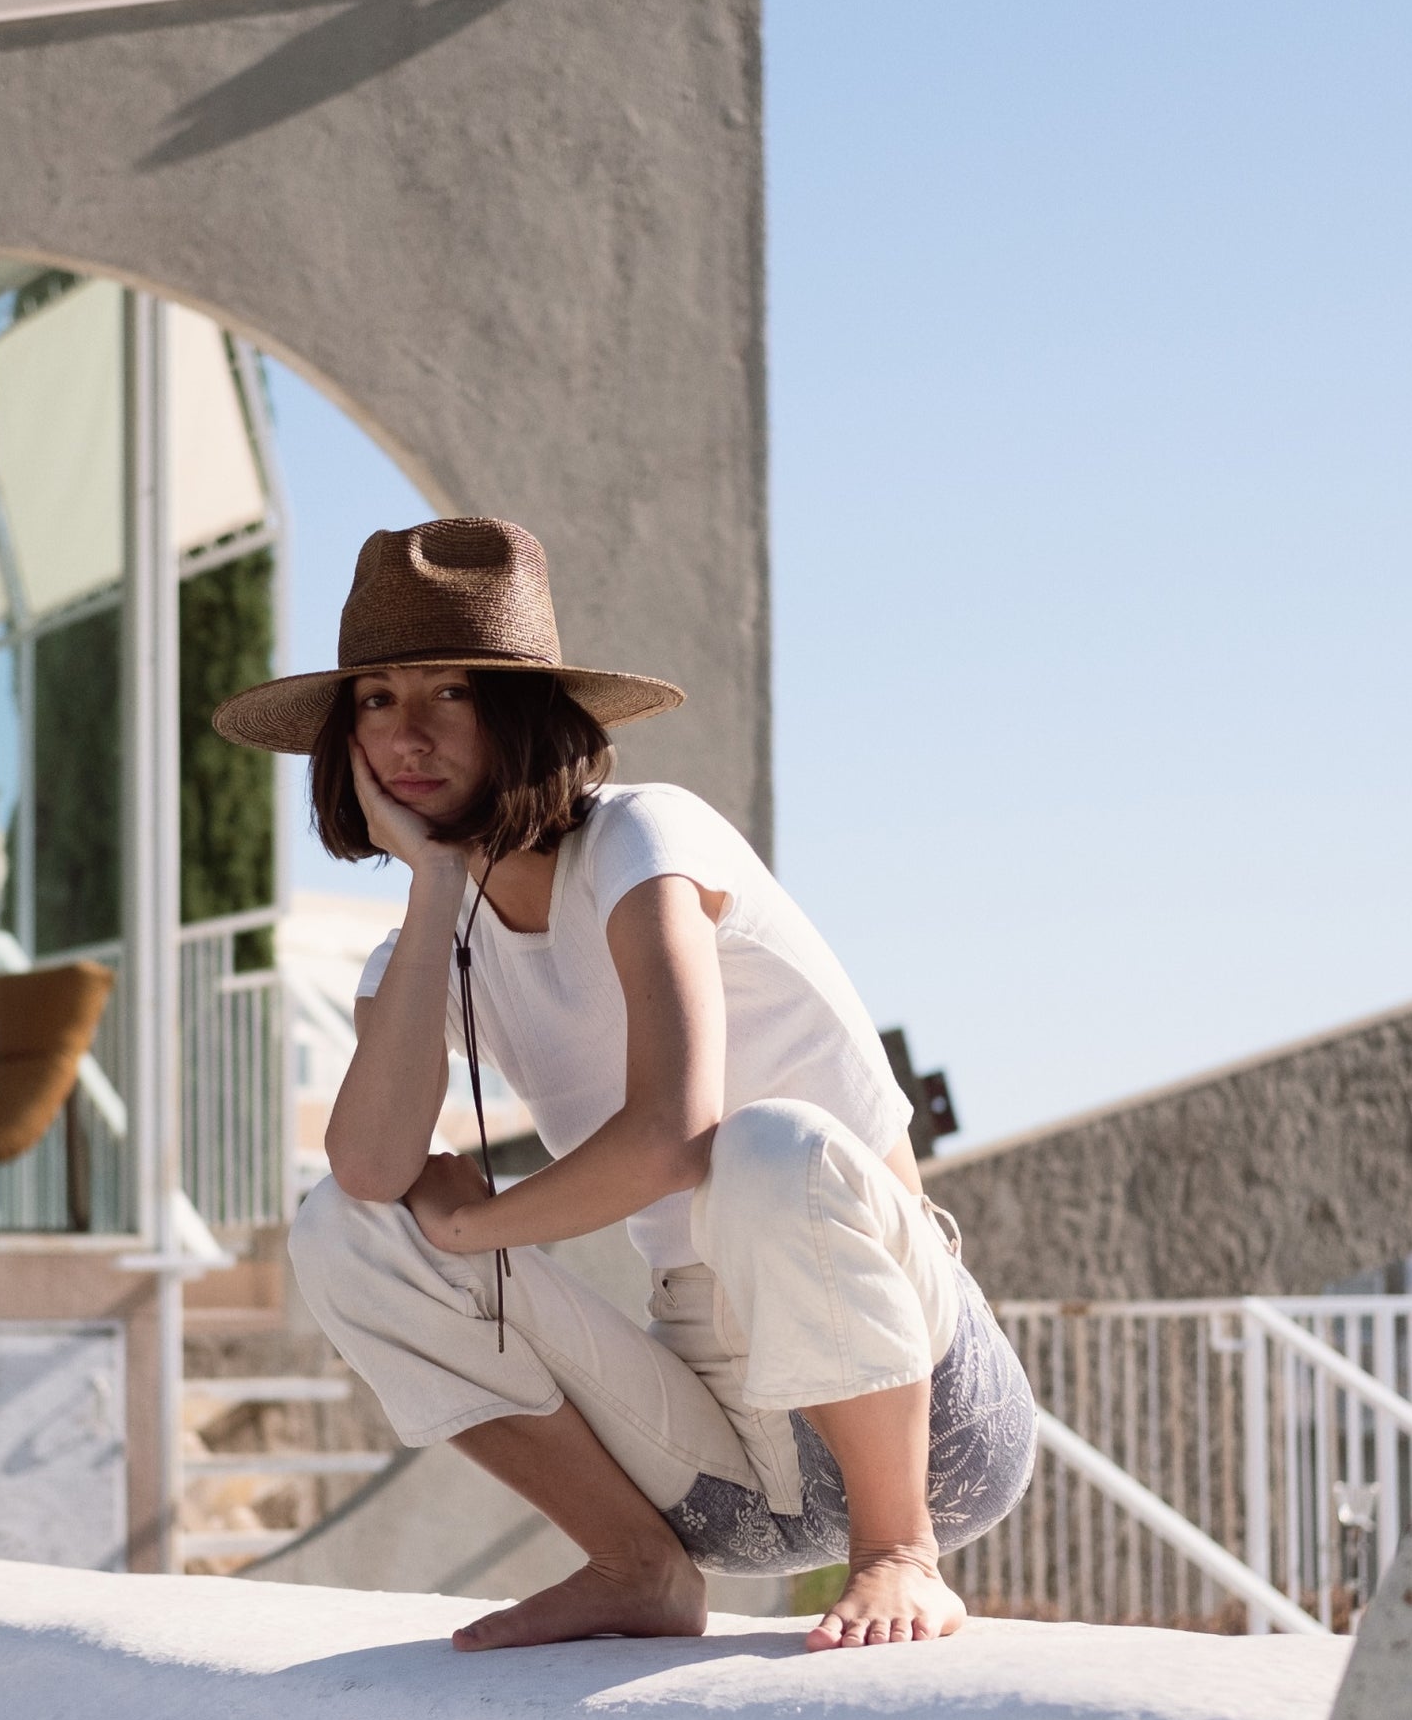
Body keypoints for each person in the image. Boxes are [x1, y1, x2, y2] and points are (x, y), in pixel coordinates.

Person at [214, 517, 1036, 1653]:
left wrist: (478, 1227)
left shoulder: (648, 838)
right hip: (722, 1468)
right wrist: (432, 885)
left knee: (767, 1145)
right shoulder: (429, 947)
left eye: (449, 693)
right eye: (374, 700)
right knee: (345, 1226)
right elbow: (369, 1169)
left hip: (917, 1409)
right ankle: (636, 1564)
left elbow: (671, 1133)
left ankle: (897, 1552)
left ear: (523, 713)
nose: (406, 732)